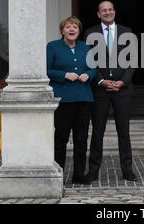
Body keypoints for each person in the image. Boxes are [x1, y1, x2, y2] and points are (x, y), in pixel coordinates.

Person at [85, 0, 137, 182]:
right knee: (98, 131)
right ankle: (93, 170)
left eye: (110, 9)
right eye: (103, 10)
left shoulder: (127, 32)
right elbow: (89, 61)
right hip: (100, 90)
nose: (107, 12)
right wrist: (100, 81)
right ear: (98, 14)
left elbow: (132, 61)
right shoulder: (90, 33)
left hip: (123, 90)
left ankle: (127, 170)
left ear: (114, 12)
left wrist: (122, 82)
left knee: (124, 131)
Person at [47, 16, 96, 185]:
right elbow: (46, 70)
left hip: (83, 98)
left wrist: (88, 75)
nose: (72, 29)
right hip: (63, 99)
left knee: (81, 138)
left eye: (75, 27)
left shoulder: (86, 47)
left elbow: (93, 68)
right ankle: (58, 173)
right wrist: (64, 75)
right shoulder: (53, 46)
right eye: (68, 27)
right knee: (61, 138)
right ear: (62, 31)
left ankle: (79, 174)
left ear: (78, 31)